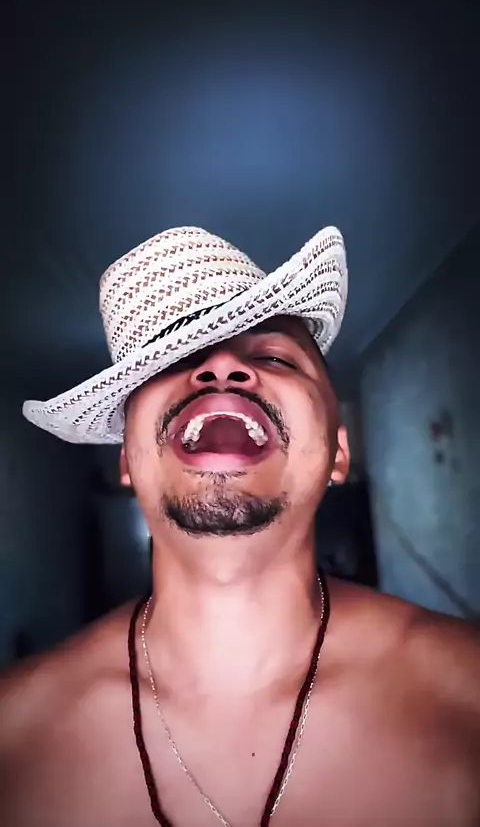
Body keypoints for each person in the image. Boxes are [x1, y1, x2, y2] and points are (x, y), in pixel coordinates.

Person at [1, 226, 479, 827]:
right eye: (174, 360)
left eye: (273, 356)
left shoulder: (468, 699)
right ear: (126, 461)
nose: (221, 364)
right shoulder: (14, 743)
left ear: (338, 452)